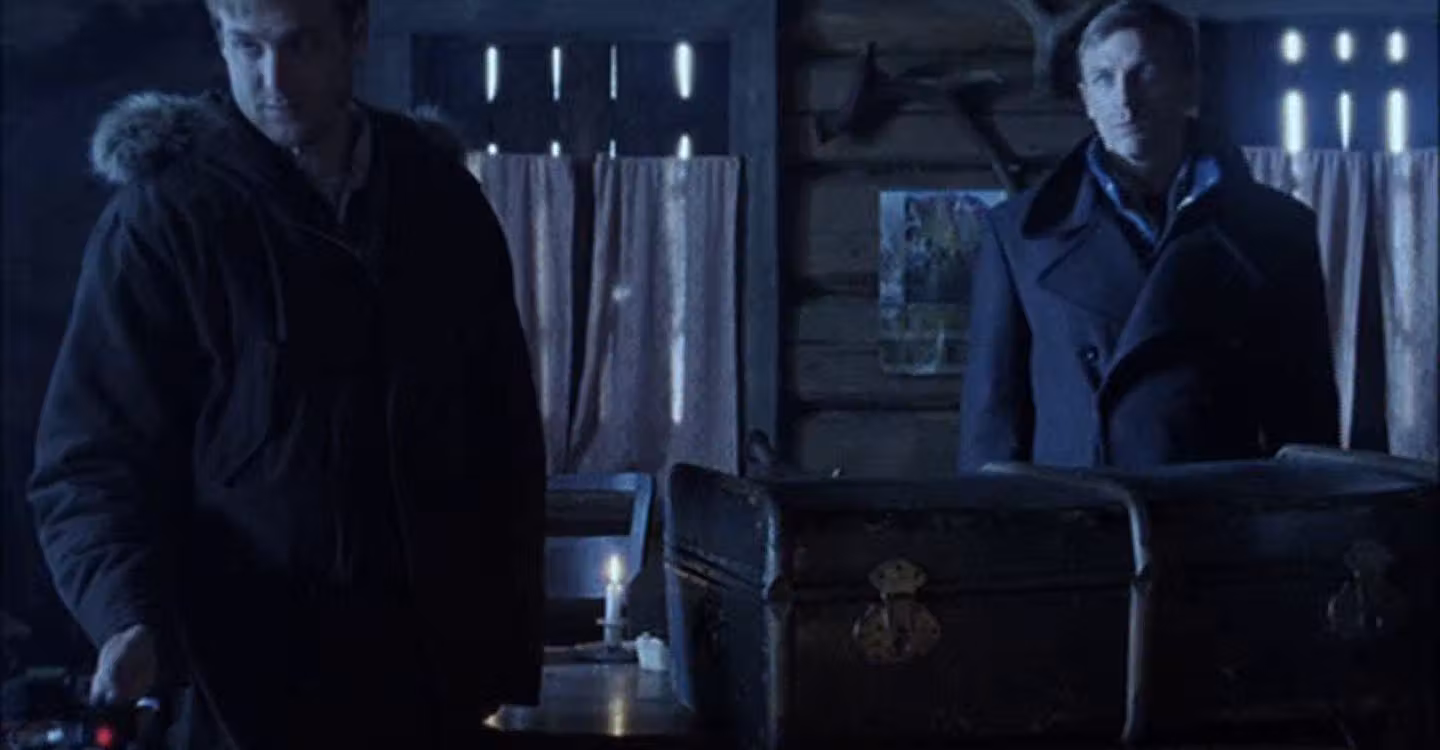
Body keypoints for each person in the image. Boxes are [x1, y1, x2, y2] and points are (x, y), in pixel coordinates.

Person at [28, 0, 547, 746]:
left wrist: (498, 650)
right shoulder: (167, 218)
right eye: (249, 47)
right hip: (239, 692)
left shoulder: (438, 203)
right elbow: (90, 458)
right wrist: (125, 618)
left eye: (300, 45)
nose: (273, 79)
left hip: (423, 686)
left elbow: (504, 437)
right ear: (220, 40)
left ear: (355, 36)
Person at [958, 0, 1340, 471]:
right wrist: (995, 515)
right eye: (1104, 79)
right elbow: (992, 427)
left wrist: (1302, 514)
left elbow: (1307, 418)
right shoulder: (1019, 234)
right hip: (1080, 504)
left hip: (1222, 503)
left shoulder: (1279, 228)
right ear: (1086, 99)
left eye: (1146, 73)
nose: (1125, 100)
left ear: (1189, 85)